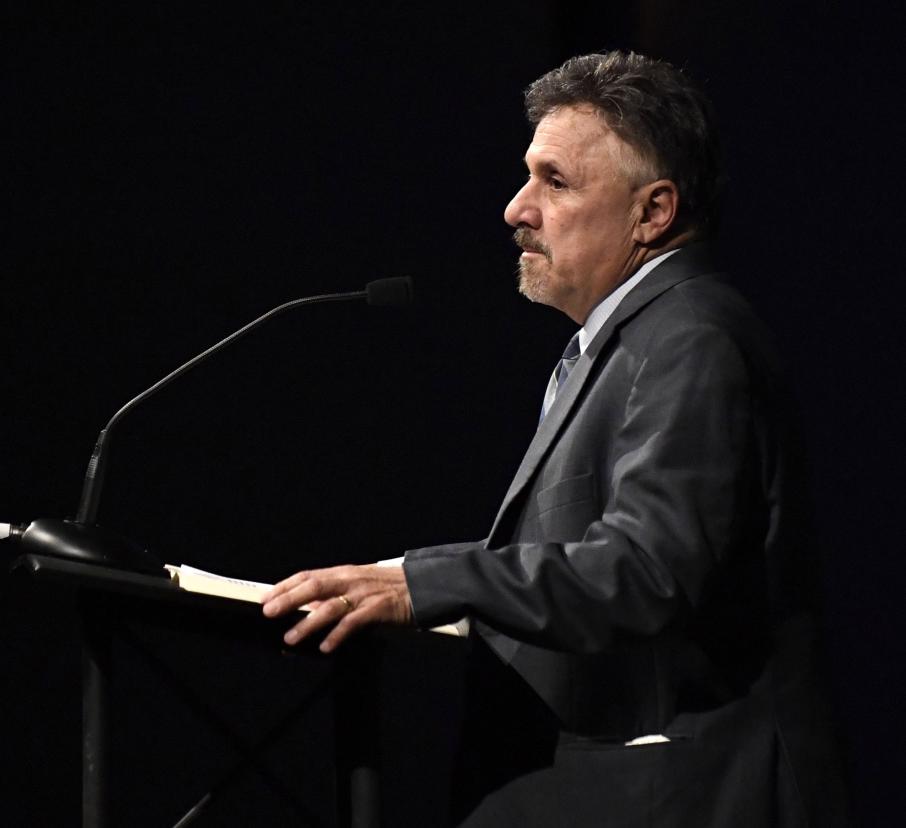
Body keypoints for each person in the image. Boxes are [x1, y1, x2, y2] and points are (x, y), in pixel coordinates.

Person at [261, 51, 848, 826]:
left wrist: (427, 583)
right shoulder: (626, 342)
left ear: (653, 212)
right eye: (526, 175)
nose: (516, 208)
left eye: (555, 181)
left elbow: (646, 571)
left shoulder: (691, 338)